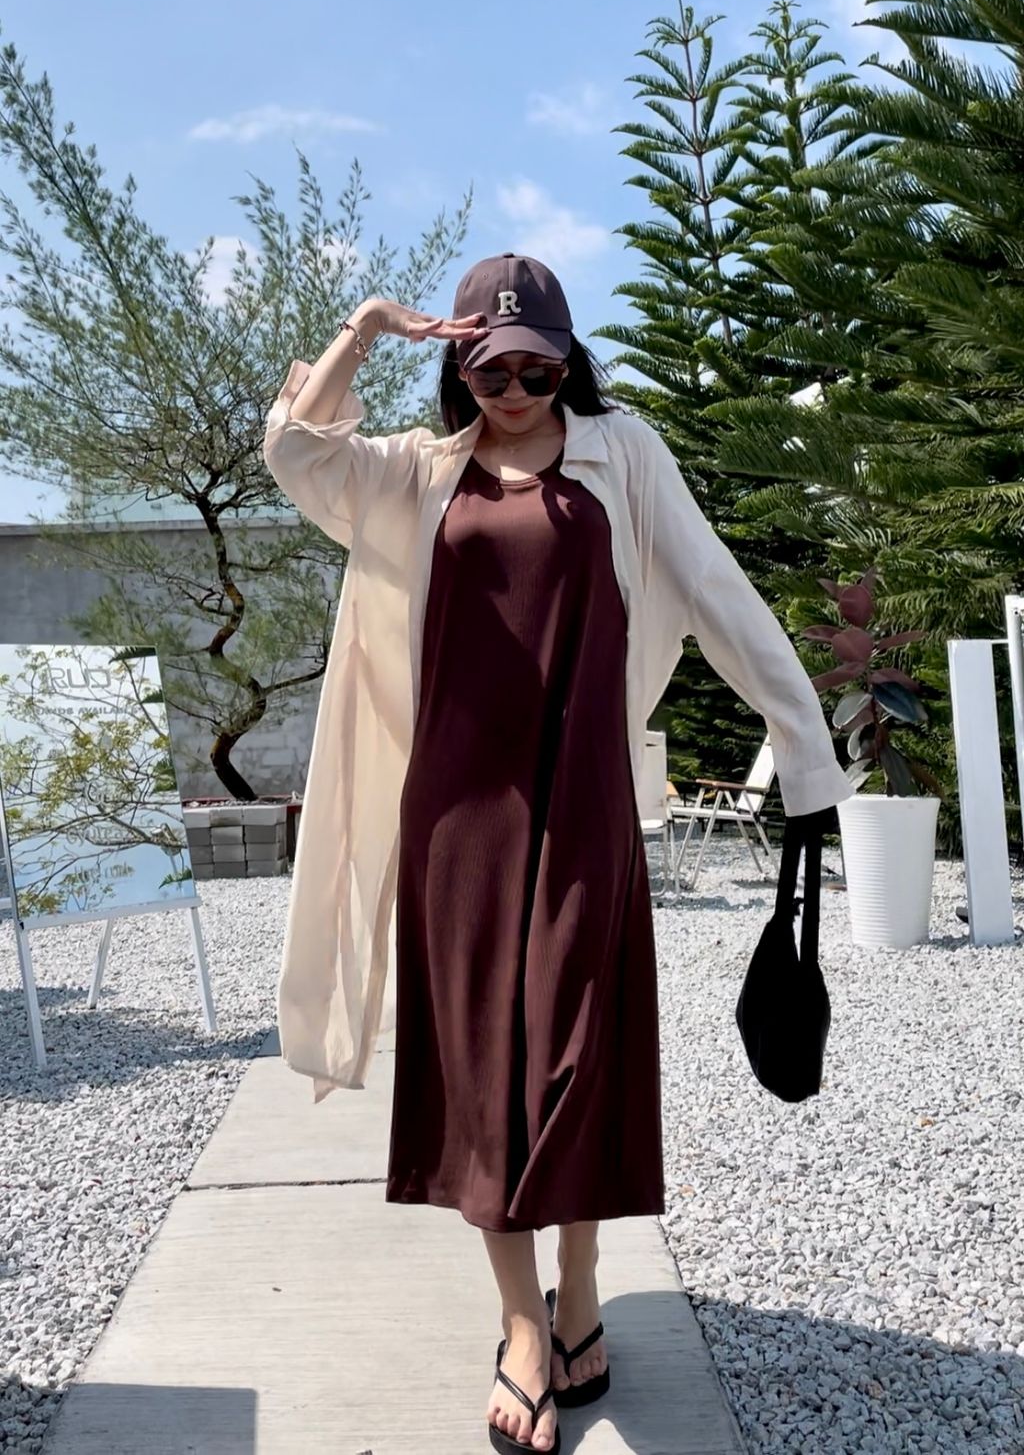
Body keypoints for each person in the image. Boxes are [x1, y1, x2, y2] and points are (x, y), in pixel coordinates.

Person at [262, 252, 851, 1455]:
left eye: (538, 368)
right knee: (484, 1074)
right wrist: (365, 326)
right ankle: (523, 1326)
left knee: (580, 1061)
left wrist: (803, 749)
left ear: (569, 364)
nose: (517, 390)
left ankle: (580, 1283)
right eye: (492, 371)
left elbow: (715, 588)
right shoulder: (416, 471)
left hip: (584, 807)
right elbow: (295, 451)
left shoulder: (622, 453)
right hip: (456, 821)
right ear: (461, 368)